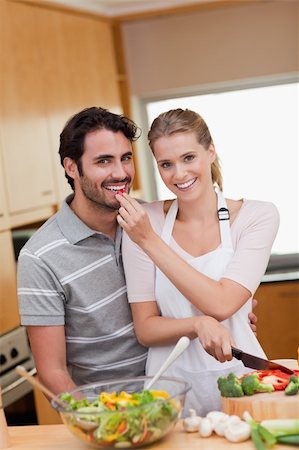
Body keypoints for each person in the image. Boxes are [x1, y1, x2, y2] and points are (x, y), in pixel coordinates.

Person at [17, 106, 258, 396]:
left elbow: (197, 290)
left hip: (177, 391)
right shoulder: (40, 257)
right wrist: (98, 419)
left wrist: (235, 313)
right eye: (103, 161)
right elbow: (52, 371)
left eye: (126, 158)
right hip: (111, 406)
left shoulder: (153, 218)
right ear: (71, 167)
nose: (120, 173)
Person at [116, 108, 279, 415]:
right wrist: (197, 323)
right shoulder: (145, 219)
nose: (179, 174)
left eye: (188, 158)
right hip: (170, 392)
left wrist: (149, 240)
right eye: (166, 164)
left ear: (211, 151)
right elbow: (146, 329)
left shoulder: (257, 216)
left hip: (242, 384)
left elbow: (222, 303)